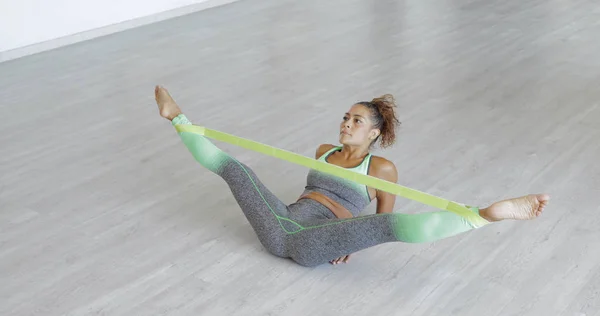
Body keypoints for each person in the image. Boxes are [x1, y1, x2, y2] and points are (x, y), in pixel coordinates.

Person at [154, 85, 550, 267]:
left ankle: (483, 215)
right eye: (345, 117)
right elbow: (307, 196)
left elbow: (380, 221)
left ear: (373, 133)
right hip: (286, 219)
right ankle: (178, 118)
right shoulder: (323, 151)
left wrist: (349, 240)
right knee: (238, 171)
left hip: (317, 241)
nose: (346, 124)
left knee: (391, 227)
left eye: (356, 120)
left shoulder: (380, 169)